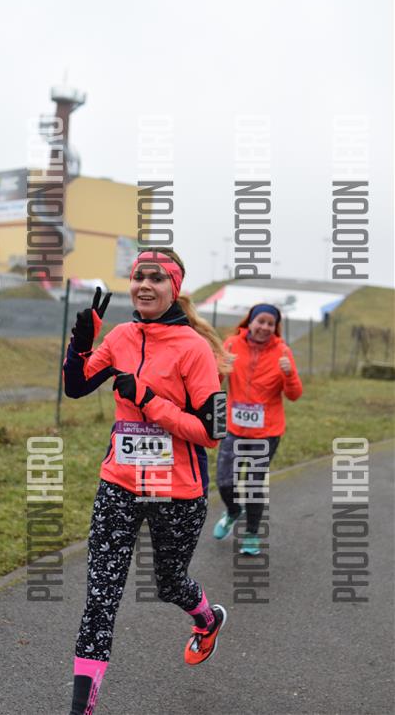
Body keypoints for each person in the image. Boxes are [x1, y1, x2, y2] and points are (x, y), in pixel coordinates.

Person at [63, 248, 230, 715]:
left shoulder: (194, 349)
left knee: (170, 584)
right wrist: (80, 343)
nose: (144, 285)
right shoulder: (120, 336)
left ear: (174, 287)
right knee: (100, 598)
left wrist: (150, 401)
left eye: (157, 278)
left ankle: (207, 619)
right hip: (118, 483)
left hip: (177, 492)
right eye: (139, 276)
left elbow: (212, 432)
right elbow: (76, 387)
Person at [213, 303, 303, 555]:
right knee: (224, 481)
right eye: (260, 321)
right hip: (234, 428)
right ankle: (233, 511)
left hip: (266, 432)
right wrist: (220, 367)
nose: (264, 327)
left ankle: (251, 534)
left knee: (253, 484)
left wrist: (289, 375)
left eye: (270, 323)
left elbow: (294, 394)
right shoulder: (231, 344)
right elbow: (213, 383)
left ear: (275, 328)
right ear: (250, 322)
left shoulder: (283, 351)